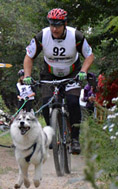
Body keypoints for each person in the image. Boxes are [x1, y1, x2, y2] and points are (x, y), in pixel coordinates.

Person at [23, 8, 94, 154]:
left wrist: (83, 71)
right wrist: (27, 76)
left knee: (73, 102)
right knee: (45, 103)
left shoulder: (76, 36)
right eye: (52, 25)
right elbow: (29, 57)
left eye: (58, 25)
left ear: (65, 24)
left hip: (72, 73)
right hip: (50, 74)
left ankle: (75, 138)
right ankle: (51, 135)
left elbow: (89, 55)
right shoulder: (42, 36)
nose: (54, 29)